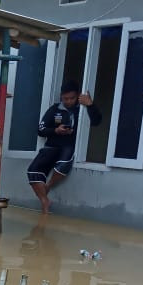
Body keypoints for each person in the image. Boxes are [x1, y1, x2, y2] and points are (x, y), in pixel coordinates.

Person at [27, 81, 102, 213]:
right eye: (65, 98)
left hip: (69, 145)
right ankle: (45, 202)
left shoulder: (82, 110)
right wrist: (56, 130)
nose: (68, 101)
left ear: (78, 96)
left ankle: (48, 186)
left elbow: (96, 122)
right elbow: (41, 129)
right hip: (51, 146)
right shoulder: (55, 109)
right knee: (32, 170)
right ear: (61, 96)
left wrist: (90, 104)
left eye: (72, 98)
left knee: (63, 164)